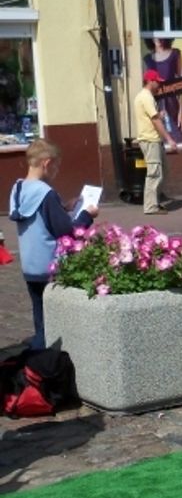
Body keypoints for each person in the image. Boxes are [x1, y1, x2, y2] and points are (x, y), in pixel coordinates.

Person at [8, 139, 97, 349]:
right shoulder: (46, 193)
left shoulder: (18, 189)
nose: (57, 170)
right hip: (50, 265)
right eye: (56, 166)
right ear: (47, 163)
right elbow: (67, 233)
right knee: (55, 324)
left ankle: (35, 363)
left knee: (40, 318)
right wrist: (85, 215)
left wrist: (64, 208)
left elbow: (38, 217)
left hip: (30, 266)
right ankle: (44, 363)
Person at [133, 68, 179, 215]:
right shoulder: (146, 97)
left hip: (153, 140)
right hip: (150, 139)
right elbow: (155, 120)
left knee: (162, 171)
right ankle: (150, 206)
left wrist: (159, 114)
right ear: (150, 81)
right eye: (157, 82)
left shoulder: (146, 97)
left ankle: (155, 202)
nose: (159, 85)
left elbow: (152, 116)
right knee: (154, 173)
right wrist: (169, 139)